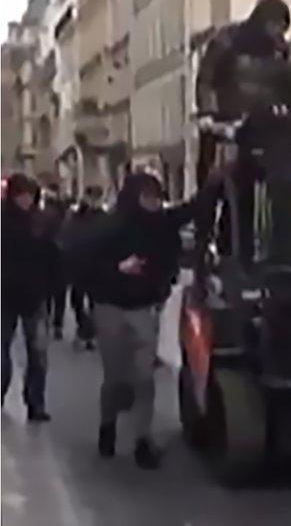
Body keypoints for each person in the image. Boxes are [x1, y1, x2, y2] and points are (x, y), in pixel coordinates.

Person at [86, 171, 222, 470]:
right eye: (147, 198)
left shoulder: (161, 224)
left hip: (144, 308)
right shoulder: (110, 227)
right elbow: (85, 261)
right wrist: (117, 268)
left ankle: (141, 440)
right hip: (110, 306)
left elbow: (190, 209)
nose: (153, 204)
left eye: (156, 198)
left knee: (144, 377)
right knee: (116, 379)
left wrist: (214, 182)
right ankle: (107, 425)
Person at [194, 0, 291, 268]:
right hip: (230, 128)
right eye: (274, 25)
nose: (277, 33)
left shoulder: (285, 54)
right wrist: (209, 115)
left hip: (270, 131)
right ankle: (211, 243)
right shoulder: (227, 41)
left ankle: (283, 250)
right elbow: (207, 80)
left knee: (285, 180)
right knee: (221, 186)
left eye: (282, 28)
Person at [2, 174, 59, 421]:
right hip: (5, 296)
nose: (25, 200)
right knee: (2, 354)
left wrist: (53, 286)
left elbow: (53, 256)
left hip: (36, 297)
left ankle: (36, 403)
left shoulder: (41, 222)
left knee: (38, 355)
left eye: (28, 195)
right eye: (21, 195)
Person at [65, 186, 106, 351]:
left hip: (97, 267)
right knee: (77, 300)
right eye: (92, 197)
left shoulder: (104, 218)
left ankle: (88, 332)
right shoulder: (77, 216)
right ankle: (85, 328)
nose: (94, 201)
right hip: (79, 265)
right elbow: (68, 236)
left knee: (95, 303)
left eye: (98, 198)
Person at [41, 184, 70, 341]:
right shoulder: (65, 215)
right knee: (59, 294)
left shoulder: (42, 214)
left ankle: (47, 322)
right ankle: (57, 324)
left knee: (47, 294)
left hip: (47, 259)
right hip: (61, 258)